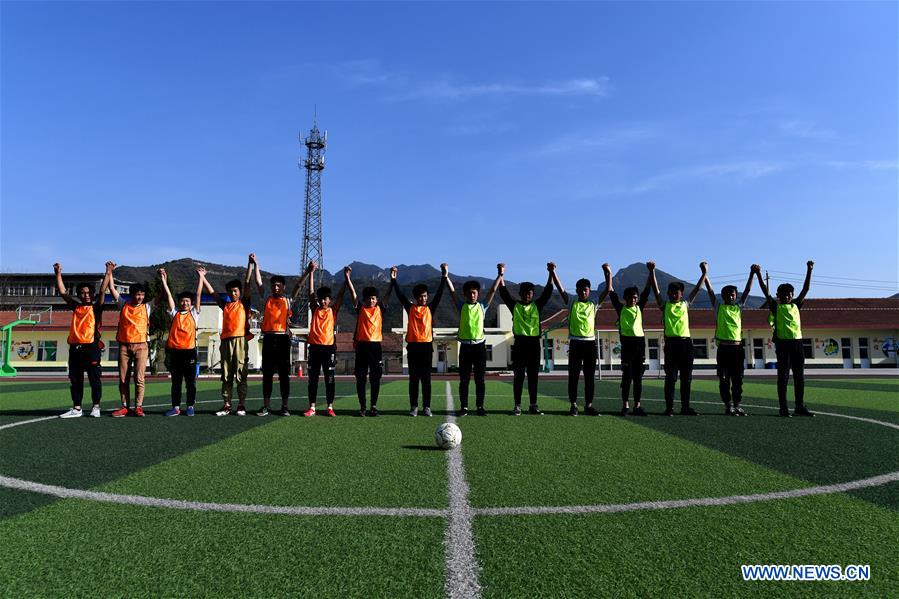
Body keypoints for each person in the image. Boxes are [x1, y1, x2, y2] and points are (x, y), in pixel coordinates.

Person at [253, 256, 312, 417]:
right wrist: (256, 265)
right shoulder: (267, 298)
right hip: (269, 338)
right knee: (267, 375)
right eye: (274, 285)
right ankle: (266, 406)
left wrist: (308, 271)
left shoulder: (287, 300)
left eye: (279, 285)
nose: (276, 288)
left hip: (283, 339)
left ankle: (285, 407)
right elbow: (258, 284)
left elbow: (299, 286)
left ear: (284, 287)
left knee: (284, 375)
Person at [496, 262, 557, 415]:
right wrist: (500, 273)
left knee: (533, 377)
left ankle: (533, 405)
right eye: (525, 292)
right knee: (518, 376)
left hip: (534, 345)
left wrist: (551, 272)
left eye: (530, 292)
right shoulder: (514, 306)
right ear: (520, 293)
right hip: (520, 344)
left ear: (533, 294)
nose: (528, 295)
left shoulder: (537, 305)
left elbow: (548, 291)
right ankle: (517, 405)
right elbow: (503, 292)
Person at [756, 261, 815, 417]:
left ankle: (799, 406)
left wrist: (809, 270)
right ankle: (783, 408)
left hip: (798, 344)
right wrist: (758, 275)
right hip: (783, 345)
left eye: (790, 294)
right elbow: (764, 291)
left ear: (792, 295)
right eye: (784, 294)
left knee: (799, 377)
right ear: (779, 296)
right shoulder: (775, 307)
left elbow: (806, 288)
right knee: (783, 377)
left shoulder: (796, 305)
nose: (787, 296)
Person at [649, 262, 708, 416]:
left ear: (682, 294)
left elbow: (696, 289)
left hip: (686, 344)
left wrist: (704, 273)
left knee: (687, 378)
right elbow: (656, 290)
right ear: (668, 293)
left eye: (677, 292)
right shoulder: (664, 305)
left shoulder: (685, 304)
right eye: (672, 292)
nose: (674, 294)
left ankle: (685, 407)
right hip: (671, 344)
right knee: (671, 378)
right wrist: (652, 271)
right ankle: (669, 408)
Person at [201, 254, 255, 416]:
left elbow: (247, 283)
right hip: (225, 341)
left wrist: (250, 265)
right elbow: (212, 293)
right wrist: (203, 278)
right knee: (226, 374)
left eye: (235, 291)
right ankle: (226, 404)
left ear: (239, 292)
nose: (233, 294)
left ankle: (241, 405)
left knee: (240, 372)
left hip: (240, 341)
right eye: (230, 291)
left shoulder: (244, 303)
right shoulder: (225, 305)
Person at [390, 264, 447, 417]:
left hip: (427, 347)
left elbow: (440, 294)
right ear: (416, 297)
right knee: (414, 379)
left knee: (426, 380)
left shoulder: (430, 308)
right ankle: (414, 407)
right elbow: (401, 295)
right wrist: (394, 280)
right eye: (421, 296)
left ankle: (427, 407)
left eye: (425, 296)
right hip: (413, 347)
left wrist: (444, 276)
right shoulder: (410, 308)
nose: (423, 298)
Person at [554, 264, 612, 416]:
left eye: (585, 290)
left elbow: (607, 289)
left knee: (589, 377)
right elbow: (560, 290)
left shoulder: (594, 304)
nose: (583, 292)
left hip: (590, 344)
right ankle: (573, 405)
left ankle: (588, 405)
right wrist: (553, 272)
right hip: (575, 343)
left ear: (589, 290)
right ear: (577, 290)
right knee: (573, 376)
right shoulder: (572, 302)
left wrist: (608, 273)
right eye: (580, 290)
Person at [55, 262, 110, 418]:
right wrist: (58, 273)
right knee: (75, 380)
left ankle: (96, 407)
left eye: (88, 293)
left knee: (94, 379)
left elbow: (102, 290)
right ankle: (77, 408)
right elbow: (62, 292)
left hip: (91, 348)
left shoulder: (97, 307)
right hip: (75, 348)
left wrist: (108, 272)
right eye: (82, 293)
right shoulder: (76, 307)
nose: (86, 295)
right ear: (79, 294)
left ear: (92, 294)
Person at [446, 269, 501, 416]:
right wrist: (446, 276)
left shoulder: (482, 307)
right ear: (465, 294)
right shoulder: (461, 306)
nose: (472, 295)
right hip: (465, 347)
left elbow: (493, 290)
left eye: (474, 292)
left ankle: (479, 407)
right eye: (469, 293)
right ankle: (464, 407)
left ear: (478, 294)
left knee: (480, 380)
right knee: (464, 380)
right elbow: (452, 292)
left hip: (479, 348)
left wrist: (500, 275)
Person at [704, 265, 756, 416]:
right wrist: (705, 274)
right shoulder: (718, 307)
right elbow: (710, 291)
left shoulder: (739, 307)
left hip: (737, 349)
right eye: (727, 294)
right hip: (724, 349)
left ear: (735, 295)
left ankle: (738, 405)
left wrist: (752, 274)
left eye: (733, 294)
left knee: (738, 379)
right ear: (723, 296)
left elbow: (747, 291)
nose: (730, 297)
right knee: (724, 379)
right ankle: (728, 405)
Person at [106, 262, 153, 418]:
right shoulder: (123, 304)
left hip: (141, 345)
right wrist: (109, 272)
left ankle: (138, 407)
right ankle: (125, 406)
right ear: (131, 294)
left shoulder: (147, 307)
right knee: (123, 378)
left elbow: (162, 297)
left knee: (139, 378)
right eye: (137, 294)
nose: (139, 297)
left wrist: (163, 279)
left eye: (142, 294)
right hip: (124, 346)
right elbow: (112, 289)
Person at [607, 263, 653, 416]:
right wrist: (608, 273)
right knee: (627, 378)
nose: (633, 300)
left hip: (640, 344)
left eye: (635, 297)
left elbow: (647, 290)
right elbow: (611, 292)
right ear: (625, 298)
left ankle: (637, 406)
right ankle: (625, 405)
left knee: (638, 379)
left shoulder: (640, 307)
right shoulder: (621, 309)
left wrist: (651, 271)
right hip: (627, 345)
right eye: (630, 297)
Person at [346, 267, 393, 417]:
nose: (371, 300)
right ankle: (362, 407)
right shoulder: (360, 309)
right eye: (368, 298)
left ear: (376, 300)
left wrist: (392, 280)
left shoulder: (380, 309)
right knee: (360, 378)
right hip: (361, 346)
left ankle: (373, 406)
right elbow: (353, 295)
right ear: (364, 299)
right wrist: (348, 278)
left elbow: (387, 295)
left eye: (373, 298)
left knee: (375, 378)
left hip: (375, 347)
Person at [303, 262, 348, 417]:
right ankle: (312, 408)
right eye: (321, 299)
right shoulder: (315, 309)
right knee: (312, 380)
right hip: (314, 348)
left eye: (325, 299)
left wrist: (346, 279)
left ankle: (330, 407)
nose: (323, 301)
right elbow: (310, 292)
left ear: (329, 300)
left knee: (330, 379)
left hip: (328, 349)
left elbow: (341, 295)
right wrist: (311, 272)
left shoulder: (333, 311)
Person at [158, 267, 204, 416]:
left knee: (190, 382)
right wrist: (164, 280)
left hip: (189, 352)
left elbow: (198, 294)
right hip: (175, 353)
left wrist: (201, 277)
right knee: (176, 382)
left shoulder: (194, 314)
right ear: (179, 303)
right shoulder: (175, 314)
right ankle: (176, 407)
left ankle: (190, 406)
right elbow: (169, 295)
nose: (185, 303)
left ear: (191, 303)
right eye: (182, 301)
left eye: (187, 301)